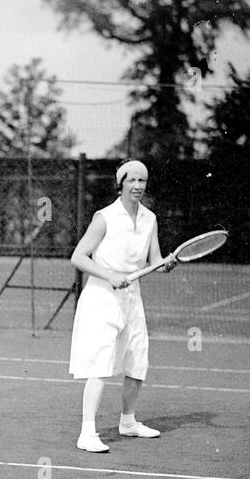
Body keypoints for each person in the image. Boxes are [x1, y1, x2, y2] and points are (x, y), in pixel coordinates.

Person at [68, 159, 174, 452]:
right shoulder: (104, 217)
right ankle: (87, 433)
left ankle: (128, 422)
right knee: (100, 365)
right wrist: (111, 276)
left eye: (142, 181)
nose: (138, 186)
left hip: (132, 298)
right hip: (101, 296)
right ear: (121, 183)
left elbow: (154, 260)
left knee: (137, 361)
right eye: (132, 180)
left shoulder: (150, 219)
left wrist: (163, 265)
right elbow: (79, 257)